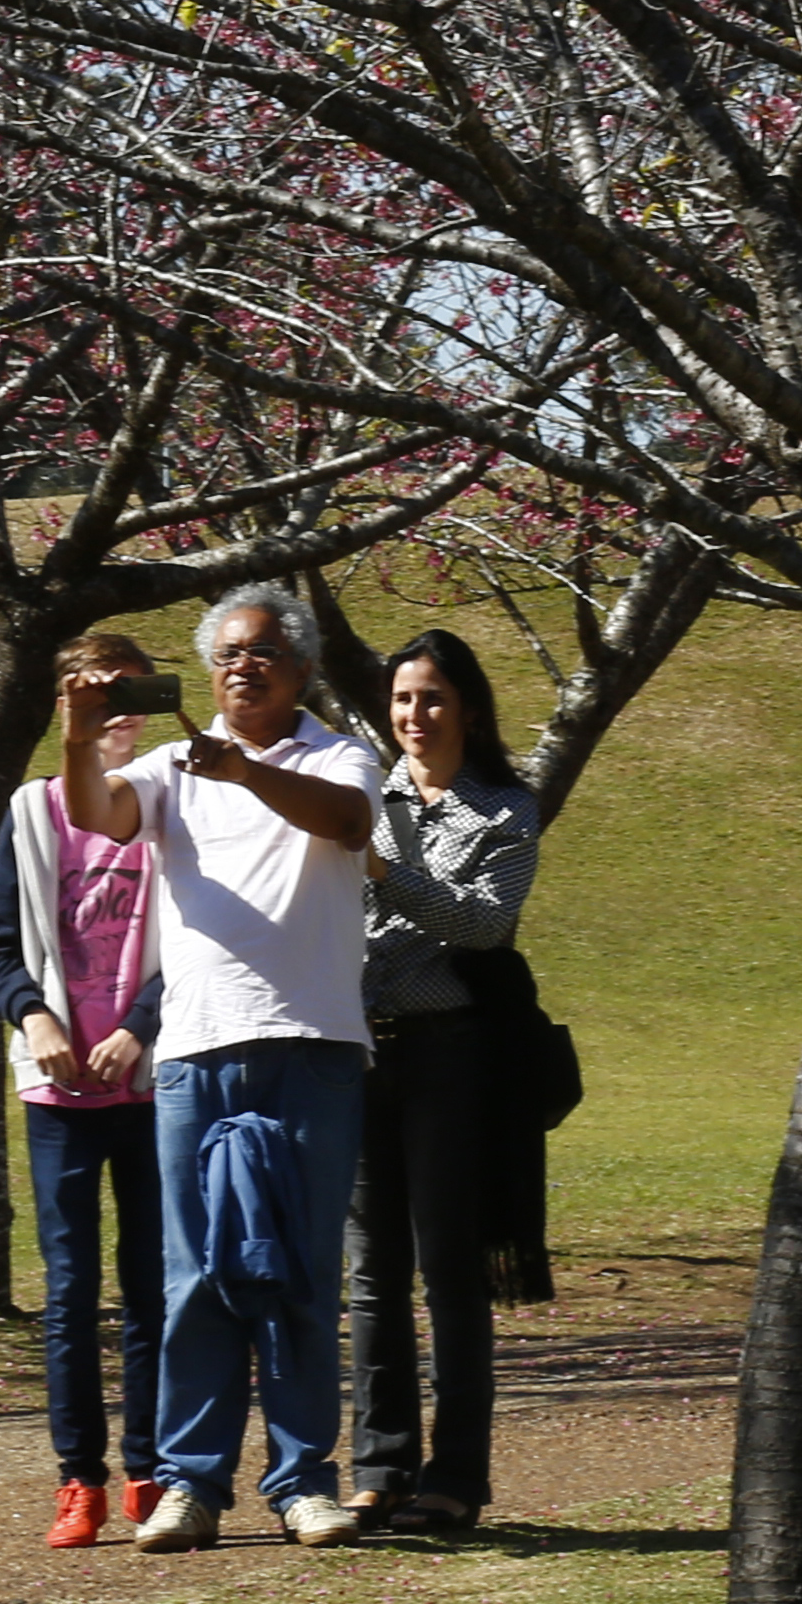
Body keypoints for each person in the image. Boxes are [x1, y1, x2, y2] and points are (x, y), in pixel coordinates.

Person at [63, 582, 387, 1551]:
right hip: (196, 1049)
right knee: (195, 1278)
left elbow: (348, 823)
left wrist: (242, 772)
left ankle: (304, 1484)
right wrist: (78, 736)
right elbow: (98, 813)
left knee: (302, 1272)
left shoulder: (339, 755)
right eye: (227, 655)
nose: (243, 668)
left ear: (302, 669)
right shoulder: (170, 764)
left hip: (313, 1045)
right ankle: (191, 1485)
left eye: (263, 653)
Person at [347, 627, 544, 1531]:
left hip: (450, 1054)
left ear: (469, 707)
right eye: (401, 699)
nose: (414, 715)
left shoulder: (506, 809)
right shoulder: (357, 794)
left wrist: (384, 871)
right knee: (370, 1271)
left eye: (432, 698)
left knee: (450, 1271)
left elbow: (485, 923)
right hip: (359, 1049)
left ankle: (455, 1476)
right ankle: (380, 1466)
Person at [0, 634, 173, 1544]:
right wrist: (35, 1019)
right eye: (97, 698)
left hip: (147, 1086)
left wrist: (141, 1025)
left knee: (151, 1286)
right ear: (67, 709)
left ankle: (150, 1469)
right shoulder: (30, 812)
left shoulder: (166, 804)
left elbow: (197, 943)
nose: (115, 714)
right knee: (69, 1290)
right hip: (58, 1098)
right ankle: (78, 1479)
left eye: (131, 696)